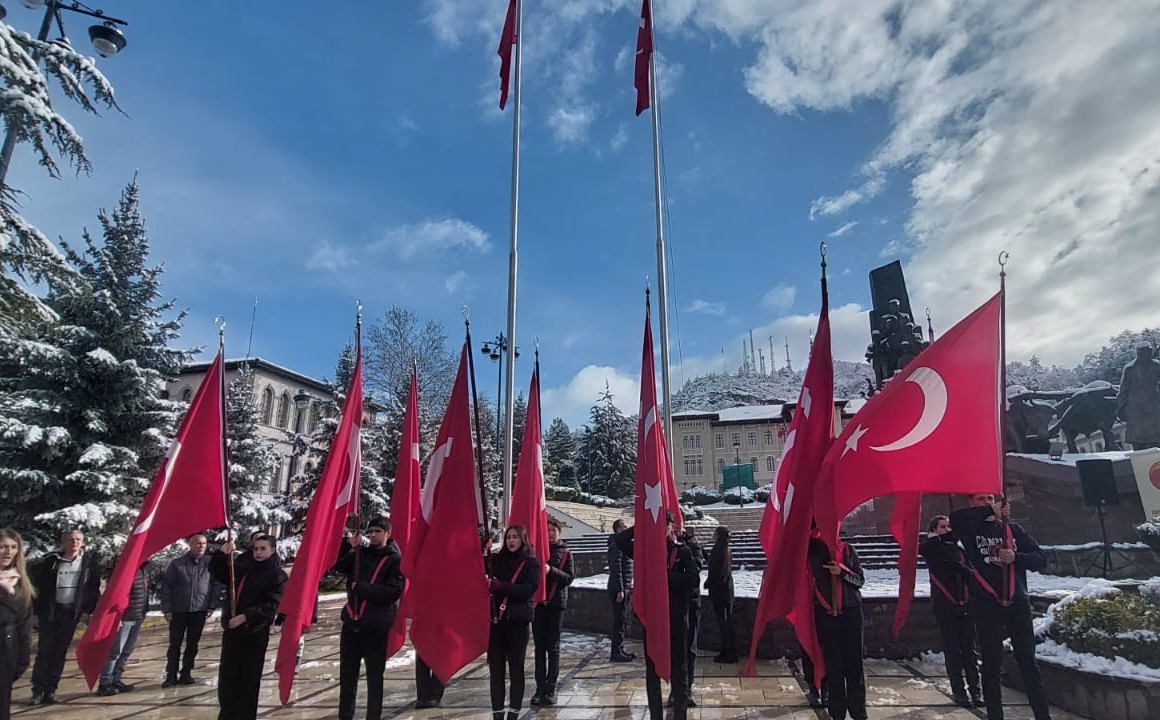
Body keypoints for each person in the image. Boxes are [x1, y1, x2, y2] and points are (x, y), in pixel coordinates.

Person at [951, 495, 1051, 720]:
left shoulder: (1013, 529)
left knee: (1028, 663)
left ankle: (1042, 715)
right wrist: (990, 510)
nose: (987, 501)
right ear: (972, 504)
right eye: (980, 499)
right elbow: (955, 518)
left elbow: (1041, 558)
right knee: (991, 663)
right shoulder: (970, 529)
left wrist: (1016, 557)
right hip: (987, 604)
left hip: (1017, 602)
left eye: (990, 497)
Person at [616, 511, 698, 720]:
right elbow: (621, 541)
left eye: (665, 524)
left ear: (672, 526)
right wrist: (642, 525)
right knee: (652, 669)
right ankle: (655, 716)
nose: (661, 528)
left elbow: (693, 579)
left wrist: (665, 578)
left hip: (676, 618)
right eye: (657, 524)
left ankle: (680, 714)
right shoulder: (645, 550)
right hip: (652, 619)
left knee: (679, 670)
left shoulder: (682, 551)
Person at [334, 516, 405, 720]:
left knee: (374, 678)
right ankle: (345, 715)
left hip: (376, 626)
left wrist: (363, 589)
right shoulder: (360, 554)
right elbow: (338, 565)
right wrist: (346, 546)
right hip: (351, 623)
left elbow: (391, 593)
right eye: (370, 531)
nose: (373, 535)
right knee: (347, 678)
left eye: (378, 532)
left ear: (388, 534)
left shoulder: (395, 559)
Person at [210, 534, 287, 720]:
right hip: (232, 634)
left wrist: (246, 616)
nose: (258, 552)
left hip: (254, 635)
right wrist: (221, 554)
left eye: (263, 549)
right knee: (227, 683)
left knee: (247, 684)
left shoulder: (277, 575)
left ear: (272, 550)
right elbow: (219, 573)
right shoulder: (244, 568)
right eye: (255, 549)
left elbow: (272, 605)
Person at [28, 528, 101, 706]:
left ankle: (51, 690)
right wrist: (36, 613)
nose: (74, 542)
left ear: (82, 542)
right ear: (63, 543)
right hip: (51, 613)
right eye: (70, 540)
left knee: (60, 653)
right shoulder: (51, 562)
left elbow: (92, 590)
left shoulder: (89, 563)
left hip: (71, 614)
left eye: (78, 539)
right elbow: (39, 589)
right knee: (44, 652)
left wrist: (87, 611)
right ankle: (37, 691)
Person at [919, 515, 982, 708]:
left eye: (948, 526)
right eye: (942, 527)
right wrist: (941, 538)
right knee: (953, 650)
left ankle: (975, 690)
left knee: (970, 651)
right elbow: (925, 549)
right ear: (934, 530)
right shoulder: (933, 548)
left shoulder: (960, 549)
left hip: (965, 604)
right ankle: (959, 691)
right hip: (946, 604)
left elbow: (969, 571)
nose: (947, 529)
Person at [808, 527, 867, 720]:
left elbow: (859, 580)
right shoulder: (814, 550)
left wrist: (841, 571)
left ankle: (858, 712)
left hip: (851, 611)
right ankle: (837, 712)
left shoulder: (849, 550)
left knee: (854, 664)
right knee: (833, 666)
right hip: (827, 614)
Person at [486, 525, 541, 720]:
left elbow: (527, 590)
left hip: (518, 621)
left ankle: (514, 712)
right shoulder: (496, 561)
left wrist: (501, 586)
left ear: (523, 539)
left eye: (515, 537)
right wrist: (482, 546)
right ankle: (497, 713)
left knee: (516, 668)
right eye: (508, 537)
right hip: (496, 622)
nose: (511, 541)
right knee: (496, 668)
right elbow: (475, 564)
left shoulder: (531, 563)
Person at [160, 533, 223, 688]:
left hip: (199, 610)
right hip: (179, 610)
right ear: (191, 544)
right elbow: (166, 587)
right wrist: (167, 609)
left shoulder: (210, 564)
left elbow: (216, 585)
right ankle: (171, 674)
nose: (201, 546)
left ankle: (186, 672)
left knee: (192, 644)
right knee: (175, 643)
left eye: (204, 544)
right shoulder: (178, 564)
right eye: (198, 543)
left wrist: (212, 604)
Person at [531, 517, 575, 706]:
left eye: (553, 530)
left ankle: (551, 688)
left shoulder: (565, 553)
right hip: (539, 605)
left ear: (559, 532)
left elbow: (569, 578)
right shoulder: (539, 551)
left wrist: (551, 571)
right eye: (547, 530)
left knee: (553, 647)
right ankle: (539, 687)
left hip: (556, 604)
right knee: (539, 649)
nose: (549, 533)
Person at [96, 564, 148, 696]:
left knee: (126, 651)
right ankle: (105, 682)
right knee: (115, 652)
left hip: (137, 617)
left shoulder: (142, 570)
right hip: (124, 618)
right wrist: (116, 617)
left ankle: (116, 679)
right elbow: (114, 594)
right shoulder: (123, 570)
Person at [0, 529, 33, 720]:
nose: (8, 552)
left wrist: (23, 659)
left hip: (7, 653)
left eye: (13, 547)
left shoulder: (19, 582)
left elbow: (24, 623)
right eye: (3, 547)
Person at [673, 527, 703, 707]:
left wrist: (669, 577)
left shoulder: (693, 545)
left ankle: (687, 688)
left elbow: (695, 571)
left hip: (691, 603)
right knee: (674, 649)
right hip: (673, 604)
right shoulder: (668, 546)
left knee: (689, 649)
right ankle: (674, 689)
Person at [706, 526, 737, 663]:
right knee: (728, 623)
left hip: (719, 592)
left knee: (723, 624)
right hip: (728, 591)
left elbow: (714, 572)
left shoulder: (717, 551)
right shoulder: (727, 550)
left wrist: (707, 583)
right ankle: (730, 651)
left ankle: (728, 653)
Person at [606, 518, 634, 662]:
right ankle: (616, 651)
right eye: (624, 527)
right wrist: (621, 589)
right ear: (618, 529)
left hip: (625, 586)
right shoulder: (617, 544)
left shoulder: (621, 544)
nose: (627, 529)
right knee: (619, 620)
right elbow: (616, 567)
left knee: (622, 620)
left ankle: (619, 648)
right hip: (618, 588)